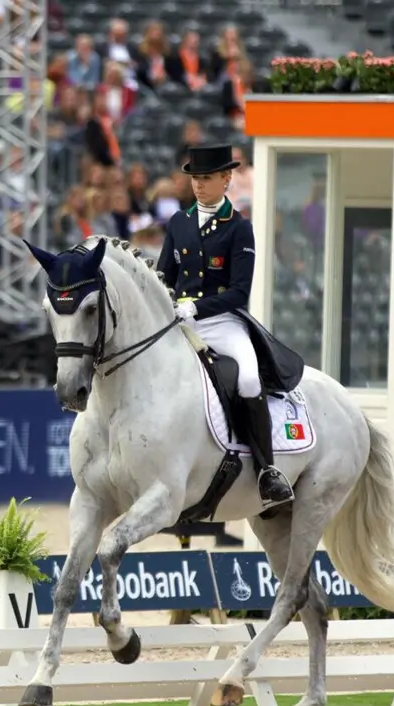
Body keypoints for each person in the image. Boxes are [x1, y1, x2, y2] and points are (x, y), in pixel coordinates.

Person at [159, 143, 302, 507]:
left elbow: (239, 292)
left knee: (249, 378)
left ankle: (268, 471)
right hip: (180, 320)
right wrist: (169, 304)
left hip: (222, 322)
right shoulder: (179, 223)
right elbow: (164, 275)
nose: (199, 185)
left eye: (206, 178)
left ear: (226, 179)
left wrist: (198, 306)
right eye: (195, 178)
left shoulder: (239, 228)